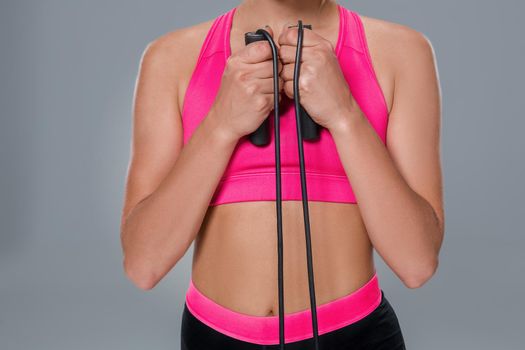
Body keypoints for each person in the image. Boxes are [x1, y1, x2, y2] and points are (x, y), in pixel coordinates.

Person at [120, 0, 444, 349]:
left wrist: (344, 114)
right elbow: (143, 264)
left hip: (355, 336)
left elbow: (417, 262)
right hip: (215, 337)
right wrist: (220, 125)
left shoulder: (403, 52)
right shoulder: (170, 58)